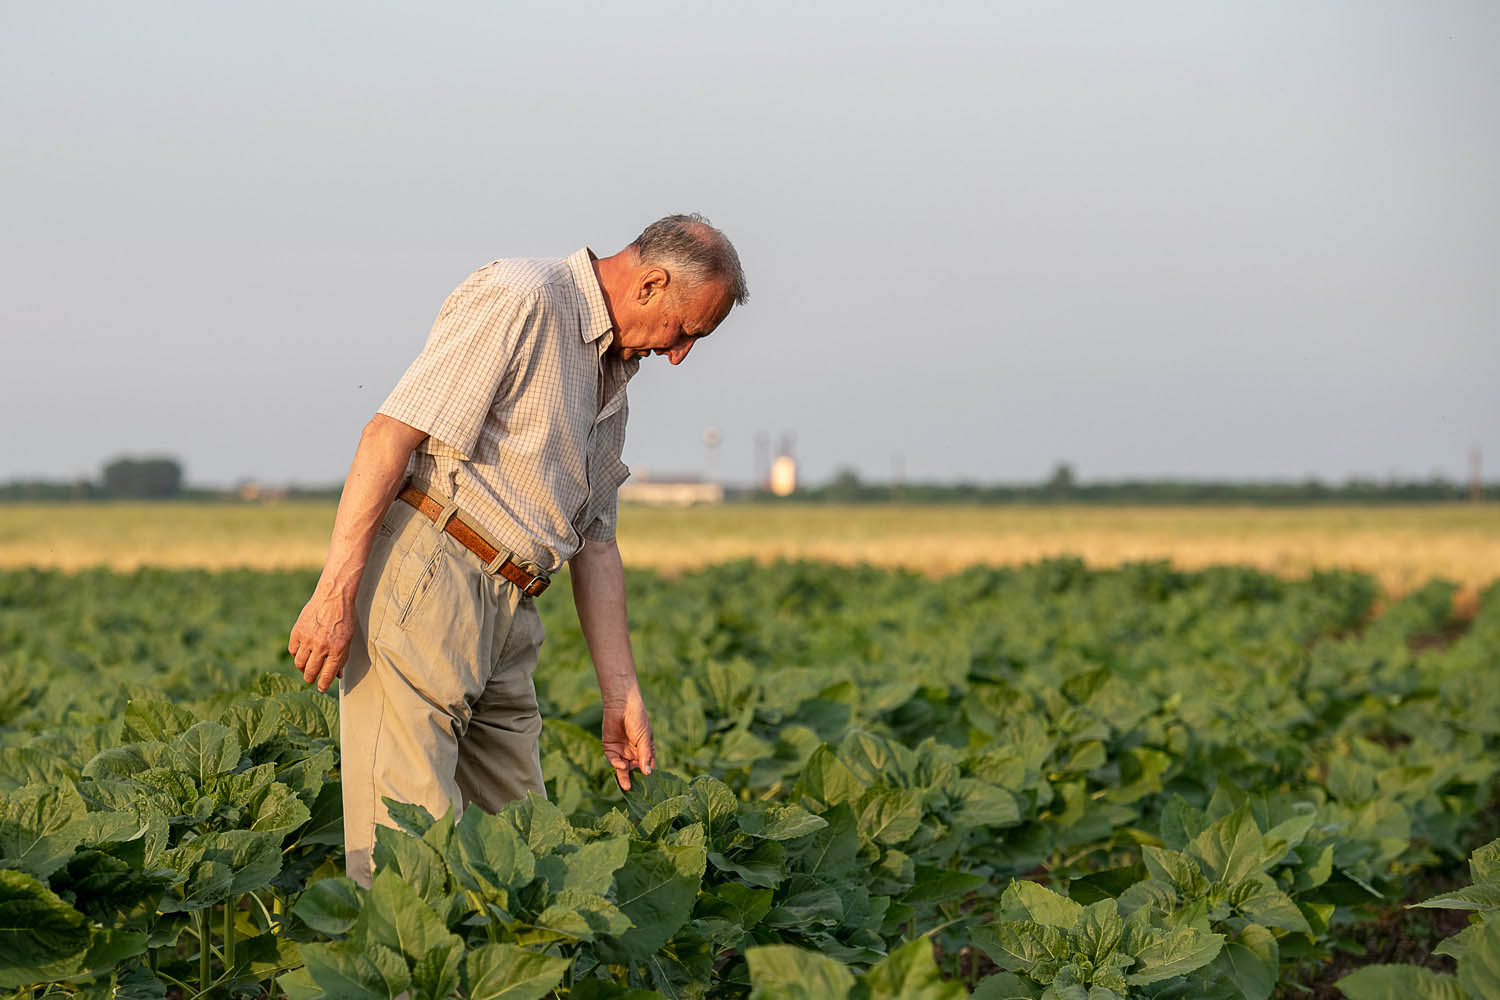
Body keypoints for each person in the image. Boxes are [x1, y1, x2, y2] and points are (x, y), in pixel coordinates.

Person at [286, 214, 747, 886]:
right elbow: (387, 435)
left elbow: (596, 542)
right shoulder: (524, 297)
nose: (678, 355)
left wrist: (621, 695)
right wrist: (333, 594)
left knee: (520, 857)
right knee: (406, 857)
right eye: (686, 331)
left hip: (513, 608)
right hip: (432, 576)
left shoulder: (611, 380)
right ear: (650, 284)